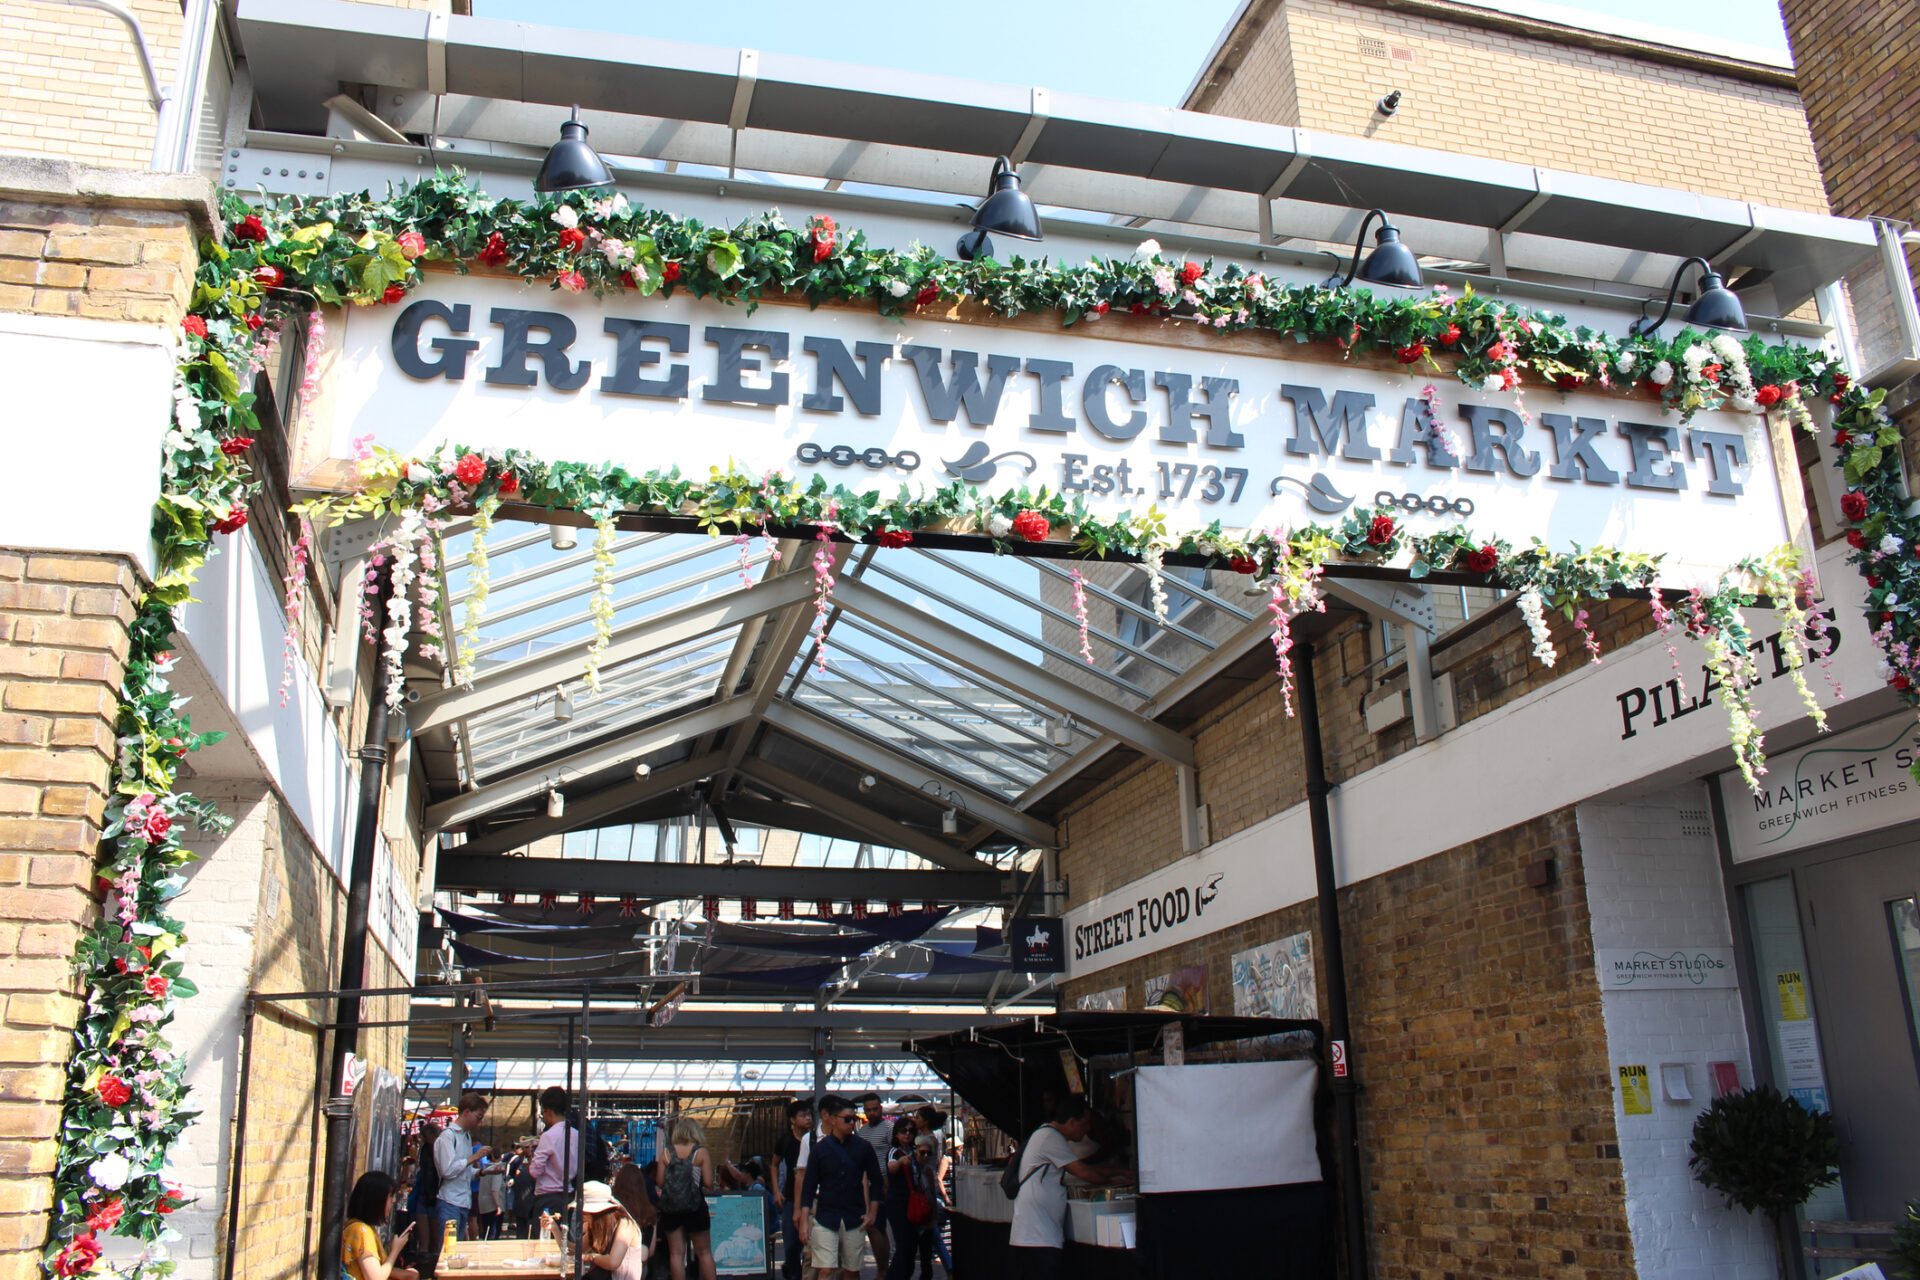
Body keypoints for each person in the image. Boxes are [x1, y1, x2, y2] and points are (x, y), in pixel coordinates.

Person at [1008, 1096, 1115, 1280]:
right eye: (1086, 1123)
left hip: (1035, 1236)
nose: (1088, 1130)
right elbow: (1085, 1173)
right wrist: (1116, 1180)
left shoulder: (1045, 1134)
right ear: (1073, 1122)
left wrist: (1118, 1173)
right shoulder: (1051, 1137)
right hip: (1038, 1237)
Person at [796, 1096, 884, 1280]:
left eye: (854, 1119)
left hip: (854, 1215)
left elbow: (876, 1180)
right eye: (847, 1119)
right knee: (826, 1269)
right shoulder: (820, 1149)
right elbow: (809, 1186)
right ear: (833, 1119)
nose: (851, 1123)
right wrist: (804, 1219)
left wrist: (873, 1212)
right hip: (825, 1215)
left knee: (851, 1271)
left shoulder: (863, 1147)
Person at [654, 1118, 715, 1280]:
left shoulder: (666, 1153)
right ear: (695, 1132)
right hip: (695, 1207)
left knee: (676, 1253)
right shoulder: (700, 1152)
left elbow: (660, 1182)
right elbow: (709, 1183)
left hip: (671, 1208)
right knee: (704, 1252)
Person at [434, 1096, 493, 1252]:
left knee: (456, 1250)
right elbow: (447, 1171)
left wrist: (481, 1172)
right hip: (449, 1201)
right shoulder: (448, 1136)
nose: (479, 1121)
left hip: (462, 1202)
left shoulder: (465, 1136)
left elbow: (464, 1171)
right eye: (478, 1116)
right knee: (448, 1250)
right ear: (467, 1112)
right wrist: (474, 1157)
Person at [342, 1170, 418, 1280]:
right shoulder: (360, 1231)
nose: (393, 1201)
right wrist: (395, 1250)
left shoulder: (361, 1228)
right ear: (376, 1200)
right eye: (390, 1196)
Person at [881, 1118, 928, 1280]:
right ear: (897, 1134)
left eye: (910, 1131)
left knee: (910, 1244)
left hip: (910, 1202)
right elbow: (891, 1167)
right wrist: (901, 1162)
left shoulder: (912, 1151)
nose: (907, 1134)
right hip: (899, 1204)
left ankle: (903, 1275)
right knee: (904, 1244)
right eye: (904, 1131)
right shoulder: (895, 1151)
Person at [853, 1093, 893, 1276]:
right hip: (866, 1184)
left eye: (875, 1109)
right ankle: (883, 1268)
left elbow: (894, 1153)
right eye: (868, 1110)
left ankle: (883, 1270)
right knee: (875, 1227)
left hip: (883, 1183)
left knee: (876, 1226)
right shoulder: (864, 1131)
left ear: (881, 1108)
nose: (871, 1113)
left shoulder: (889, 1128)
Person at [771, 1100, 812, 1280]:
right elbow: (774, 1164)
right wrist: (775, 1190)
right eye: (803, 1116)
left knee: (811, 1243)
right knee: (790, 1244)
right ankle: (794, 1273)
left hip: (811, 1197)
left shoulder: (814, 1139)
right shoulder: (785, 1140)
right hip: (790, 1197)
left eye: (810, 1115)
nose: (808, 1119)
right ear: (792, 1120)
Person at [578, 1180, 649, 1280]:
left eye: (584, 1213)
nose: (581, 1216)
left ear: (596, 1213)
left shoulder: (625, 1224)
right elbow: (575, 1251)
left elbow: (613, 1262)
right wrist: (555, 1230)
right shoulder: (597, 1226)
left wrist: (591, 1257)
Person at [529, 1086, 580, 1226]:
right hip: (568, 1195)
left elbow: (534, 1171)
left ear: (549, 1112)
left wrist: (531, 1156)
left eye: (543, 1113)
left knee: (544, 1241)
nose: (543, 1118)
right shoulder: (575, 1134)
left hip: (547, 1197)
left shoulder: (549, 1136)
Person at [909, 1133, 951, 1280]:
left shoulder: (928, 1171)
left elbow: (932, 1195)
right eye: (922, 1152)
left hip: (925, 1219)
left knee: (926, 1260)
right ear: (916, 1151)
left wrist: (932, 1218)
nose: (925, 1156)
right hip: (912, 1218)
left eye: (929, 1153)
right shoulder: (910, 1169)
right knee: (909, 1260)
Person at [509, 1138, 537, 1238]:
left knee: (523, 1235)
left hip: (523, 1206)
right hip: (526, 1207)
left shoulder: (525, 1173)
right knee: (526, 1235)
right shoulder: (526, 1172)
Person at [473, 1156, 506, 1240]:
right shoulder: (496, 1171)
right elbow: (494, 1189)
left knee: (486, 1233)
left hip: (483, 1206)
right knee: (493, 1234)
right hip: (493, 1207)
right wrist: (498, 1206)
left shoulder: (485, 1170)